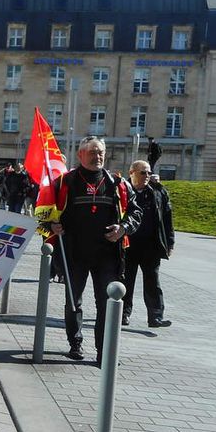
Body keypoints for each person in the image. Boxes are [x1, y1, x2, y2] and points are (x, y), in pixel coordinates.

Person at [50, 136, 142, 364]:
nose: (97, 156)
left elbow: (135, 213)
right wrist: (52, 224)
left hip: (107, 256)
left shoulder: (118, 183)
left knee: (107, 303)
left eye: (100, 152)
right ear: (80, 155)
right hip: (75, 253)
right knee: (74, 302)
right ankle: (75, 343)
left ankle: (104, 352)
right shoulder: (65, 182)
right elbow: (44, 209)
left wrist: (123, 228)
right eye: (92, 152)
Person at [123, 160, 174, 329]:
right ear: (132, 173)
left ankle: (155, 317)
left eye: (149, 173)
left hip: (151, 245)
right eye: (143, 173)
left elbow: (167, 219)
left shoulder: (158, 193)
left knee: (153, 281)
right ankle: (123, 313)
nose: (147, 176)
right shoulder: (122, 190)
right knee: (126, 280)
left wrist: (170, 242)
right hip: (128, 244)